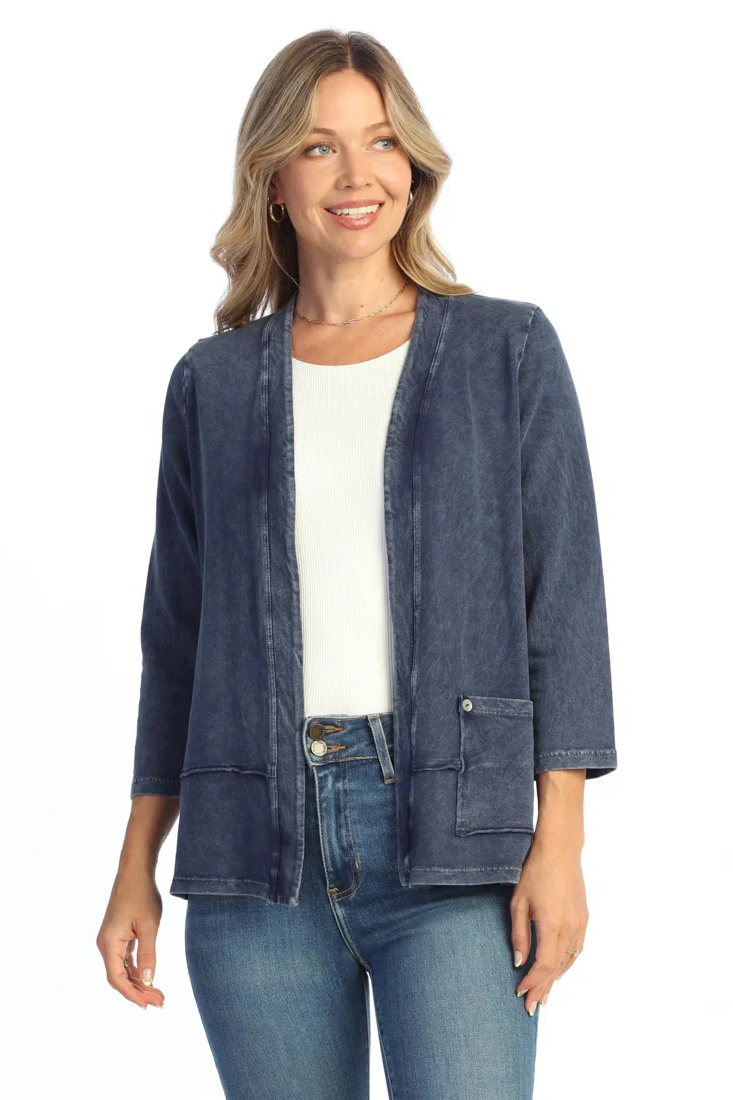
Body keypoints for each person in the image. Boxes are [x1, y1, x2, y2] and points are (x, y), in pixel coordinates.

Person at [97, 29, 618, 1100]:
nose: (356, 175)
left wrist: (559, 839)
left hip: (454, 848)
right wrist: (134, 866)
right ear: (272, 179)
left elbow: (561, 604)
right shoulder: (212, 384)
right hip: (253, 855)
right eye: (318, 146)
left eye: (380, 142)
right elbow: (177, 642)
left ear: (412, 166)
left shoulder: (506, 351)